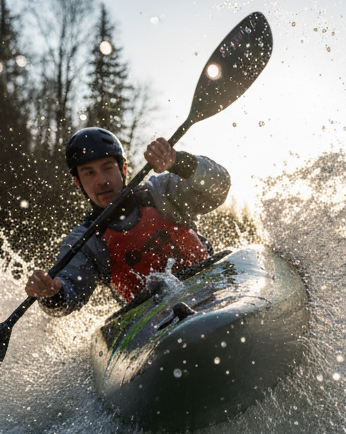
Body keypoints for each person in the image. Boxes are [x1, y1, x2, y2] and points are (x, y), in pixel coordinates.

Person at [24, 127, 230, 312]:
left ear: (122, 169)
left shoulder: (161, 193)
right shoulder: (86, 241)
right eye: (89, 173)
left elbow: (219, 187)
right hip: (154, 320)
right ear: (78, 183)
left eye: (108, 168)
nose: (102, 181)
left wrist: (178, 162)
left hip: (210, 288)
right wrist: (53, 292)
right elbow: (69, 288)